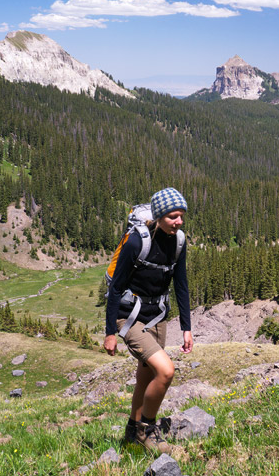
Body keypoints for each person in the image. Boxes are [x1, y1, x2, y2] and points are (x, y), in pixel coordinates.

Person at [103, 187, 193, 454]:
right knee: (166, 371)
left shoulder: (178, 241)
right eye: (173, 217)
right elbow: (115, 288)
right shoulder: (136, 242)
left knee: (146, 376)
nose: (179, 222)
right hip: (129, 318)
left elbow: (182, 285)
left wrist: (186, 327)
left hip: (157, 317)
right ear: (159, 215)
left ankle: (132, 430)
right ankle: (147, 430)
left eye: (181, 216)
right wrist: (110, 332)